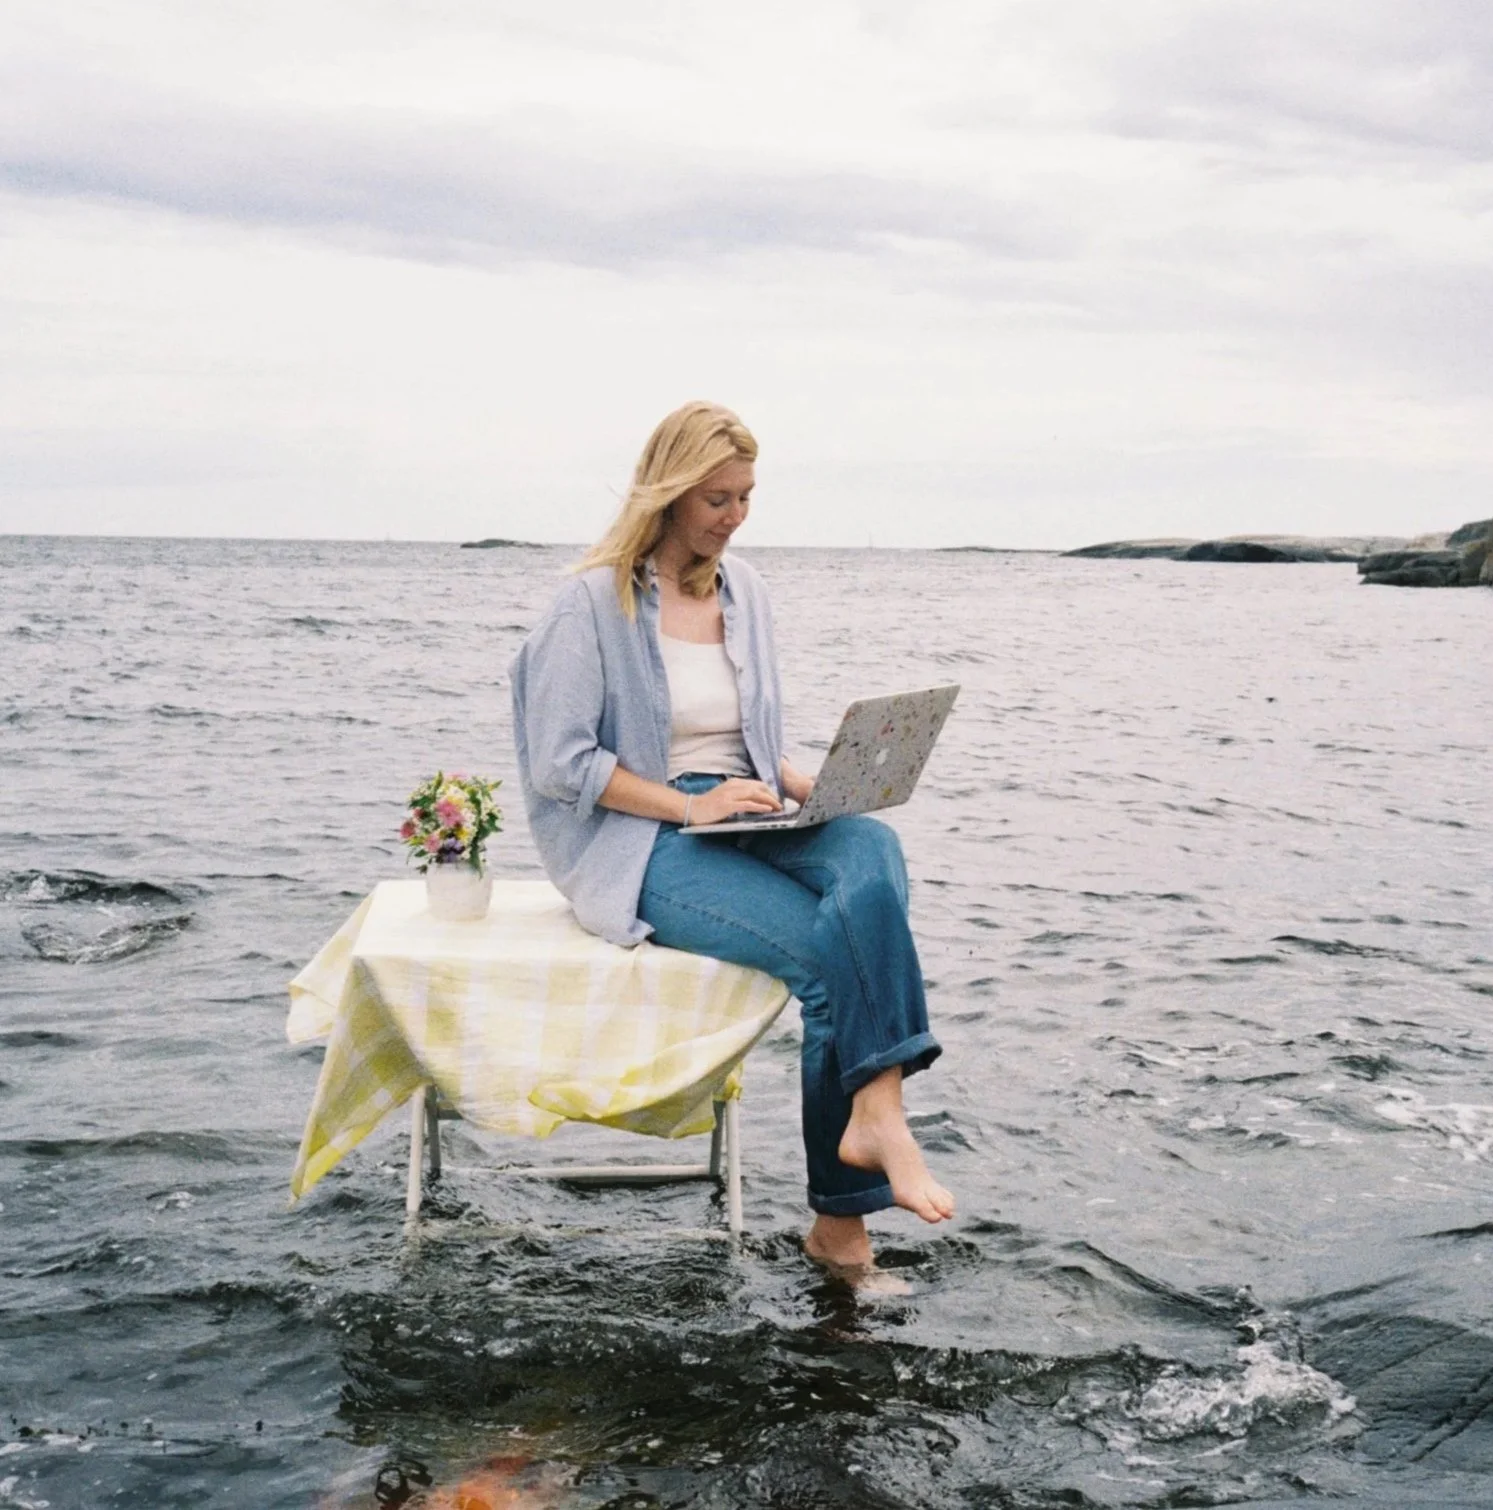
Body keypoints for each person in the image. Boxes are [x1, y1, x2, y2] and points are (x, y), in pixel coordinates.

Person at [510, 401, 954, 1272]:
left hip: (747, 803)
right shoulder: (588, 605)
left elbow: (745, 734)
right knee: (831, 962)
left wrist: (812, 780)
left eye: (745, 497)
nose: (734, 516)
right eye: (716, 498)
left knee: (871, 850)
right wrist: (688, 807)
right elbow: (558, 765)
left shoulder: (746, 590)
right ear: (669, 493)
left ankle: (874, 1122)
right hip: (646, 839)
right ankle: (845, 1221)